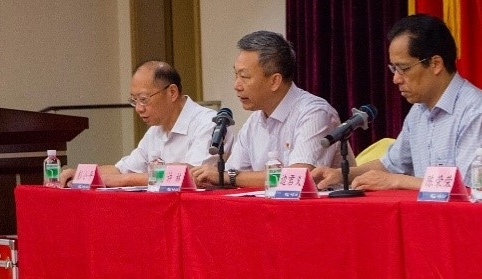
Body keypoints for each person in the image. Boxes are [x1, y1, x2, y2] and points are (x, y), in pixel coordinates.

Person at [312, 14, 482, 191]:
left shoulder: (476, 109)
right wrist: (341, 174)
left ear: (436, 64)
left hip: (470, 217)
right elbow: (391, 165)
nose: (396, 79)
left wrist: (397, 181)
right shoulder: (419, 111)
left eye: (404, 68)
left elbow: (466, 185)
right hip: (427, 214)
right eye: (393, 69)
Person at [190, 31, 341, 188]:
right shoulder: (254, 121)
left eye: (245, 76)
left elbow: (298, 177)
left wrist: (227, 177)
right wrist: (205, 178)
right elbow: (230, 175)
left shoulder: (315, 113)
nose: (236, 86)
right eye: (236, 75)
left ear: (275, 81)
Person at [59, 61, 220, 187]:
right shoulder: (155, 130)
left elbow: (193, 177)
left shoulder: (209, 123)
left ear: (172, 92)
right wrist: (81, 174)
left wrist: (123, 180)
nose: (138, 108)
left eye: (143, 99)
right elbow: (122, 169)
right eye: (134, 100)